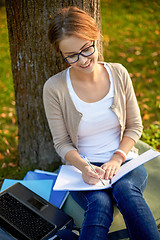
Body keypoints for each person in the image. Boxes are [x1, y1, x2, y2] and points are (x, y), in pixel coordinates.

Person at [43, 6, 160, 240]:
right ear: (61, 54)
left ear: (95, 38)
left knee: (127, 191)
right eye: (71, 56)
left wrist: (117, 159)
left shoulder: (118, 73)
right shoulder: (54, 88)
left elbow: (135, 127)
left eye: (87, 49)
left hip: (124, 160)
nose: (83, 60)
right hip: (83, 169)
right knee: (99, 204)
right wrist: (84, 168)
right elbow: (62, 144)